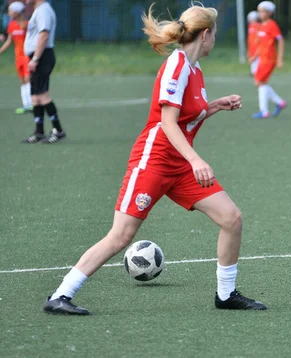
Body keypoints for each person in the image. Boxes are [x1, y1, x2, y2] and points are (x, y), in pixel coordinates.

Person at [43, 3, 267, 315]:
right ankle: (61, 295)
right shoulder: (176, 65)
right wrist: (196, 160)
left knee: (232, 219)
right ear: (205, 35)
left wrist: (215, 105)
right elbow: (167, 122)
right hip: (154, 162)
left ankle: (226, 295)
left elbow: (186, 115)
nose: (214, 39)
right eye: (214, 33)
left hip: (179, 165)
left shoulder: (194, 69)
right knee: (121, 235)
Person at [22, 0, 65, 144]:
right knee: (35, 97)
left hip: (42, 56)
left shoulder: (44, 10)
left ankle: (58, 130)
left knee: (42, 94)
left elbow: (44, 35)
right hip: (38, 56)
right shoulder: (38, 10)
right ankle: (39, 132)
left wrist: (35, 59)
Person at [251, 1, 286, 119]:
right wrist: (255, 56)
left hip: (269, 59)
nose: (260, 13)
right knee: (262, 83)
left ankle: (264, 111)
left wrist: (280, 59)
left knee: (258, 82)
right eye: (259, 11)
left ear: (269, 13)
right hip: (262, 59)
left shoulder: (272, 25)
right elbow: (260, 45)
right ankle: (279, 102)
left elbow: (280, 41)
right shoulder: (260, 26)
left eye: (262, 11)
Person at [0, 1, 32, 114]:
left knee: (29, 80)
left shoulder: (28, 25)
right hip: (18, 58)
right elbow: (9, 41)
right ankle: (25, 105)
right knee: (22, 81)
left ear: (17, 12)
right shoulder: (11, 25)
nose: (9, 13)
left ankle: (32, 104)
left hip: (28, 57)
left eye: (10, 11)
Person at [247, 10, 260, 76]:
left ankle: (256, 71)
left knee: (257, 59)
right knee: (252, 59)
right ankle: (253, 71)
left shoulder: (258, 26)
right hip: (251, 46)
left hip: (257, 47)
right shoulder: (250, 26)